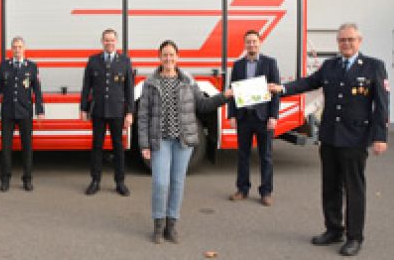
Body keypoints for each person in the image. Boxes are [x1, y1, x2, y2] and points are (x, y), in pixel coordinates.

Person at [269, 23, 388, 256]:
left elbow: (382, 105)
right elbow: (308, 83)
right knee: (330, 187)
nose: (346, 44)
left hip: (355, 139)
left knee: (354, 189)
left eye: (350, 40)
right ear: (338, 42)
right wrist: (281, 88)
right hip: (330, 137)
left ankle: (355, 237)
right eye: (342, 40)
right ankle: (334, 229)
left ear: (359, 41)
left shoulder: (374, 66)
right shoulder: (330, 66)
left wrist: (380, 136)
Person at [138, 40, 232, 243]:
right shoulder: (150, 83)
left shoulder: (188, 81)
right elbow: (143, 115)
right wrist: (144, 144)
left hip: (183, 142)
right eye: (165, 55)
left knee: (178, 183)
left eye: (172, 55)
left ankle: (171, 226)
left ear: (178, 57)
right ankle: (158, 225)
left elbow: (203, 105)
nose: (168, 58)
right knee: (160, 183)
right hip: (160, 140)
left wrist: (224, 96)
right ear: (159, 57)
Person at [228, 30, 280, 206]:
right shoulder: (238, 66)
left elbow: (275, 92)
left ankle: (266, 192)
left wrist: (273, 116)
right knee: (243, 155)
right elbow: (232, 91)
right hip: (244, 117)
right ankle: (242, 189)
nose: (251, 45)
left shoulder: (270, 63)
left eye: (254, 42)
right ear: (244, 44)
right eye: (248, 42)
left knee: (265, 156)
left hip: (263, 117)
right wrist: (232, 115)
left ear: (260, 43)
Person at [80, 28, 134, 196]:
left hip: (117, 111)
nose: (109, 43)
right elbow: (86, 87)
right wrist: (83, 108)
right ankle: (95, 181)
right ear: (102, 41)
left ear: (116, 42)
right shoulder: (93, 61)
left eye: (112, 40)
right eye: (106, 40)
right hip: (99, 111)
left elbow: (129, 89)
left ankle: (120, 182)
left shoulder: (125, 61)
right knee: (97, 147)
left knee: (118, 147)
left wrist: (130, 112)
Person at [0, 36, 44, 192]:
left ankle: (27, 179)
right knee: (6, 148)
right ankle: (5, 179)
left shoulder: (32, 67)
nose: (17, 49)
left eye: (20, 46)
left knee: (27, 148)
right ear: (11, 49)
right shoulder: (4, 65)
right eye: (14, 47)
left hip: (25, 112)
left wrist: (40, 110)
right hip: (7, 112)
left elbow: (37, 91)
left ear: (24, 48)